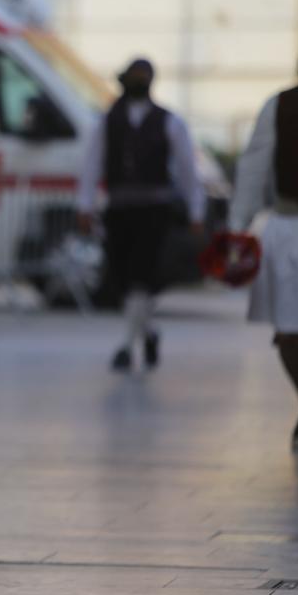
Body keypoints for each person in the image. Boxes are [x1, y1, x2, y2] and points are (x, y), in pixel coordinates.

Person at [77, 58, 206, 371]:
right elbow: (91, 165)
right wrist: (85, 205)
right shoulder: (108, 121)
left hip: (153, 211)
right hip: (119, 210)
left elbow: (188, 170)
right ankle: (148, 332)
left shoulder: (170, 122)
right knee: (123, 278)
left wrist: (196, 210)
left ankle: (125, 345)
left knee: (141, 276)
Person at [228, 63, 298, 450]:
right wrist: (238, 226)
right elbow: (254, 168)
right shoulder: (280, 107)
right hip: (290, 229)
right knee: (289, 331)